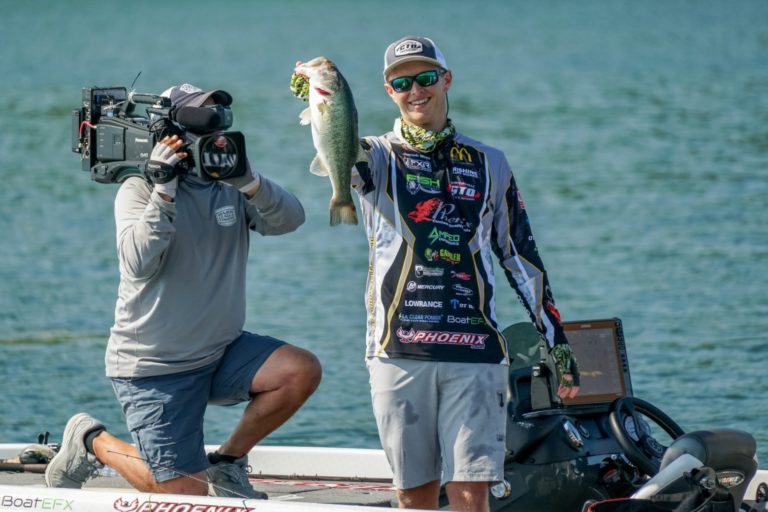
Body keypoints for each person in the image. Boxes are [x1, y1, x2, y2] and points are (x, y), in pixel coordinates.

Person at [44, 83, 322, 498]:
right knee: (183, 496)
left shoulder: (228, 185)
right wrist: (164, 191)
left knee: (300, 371)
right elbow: (139, 263)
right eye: (201, 118)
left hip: (219, 351)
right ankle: (91, 440)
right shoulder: (137, 191)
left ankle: (227, 463)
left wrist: (250, 181)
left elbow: (290, 220)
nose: (212, 132)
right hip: (155, 368)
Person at [351, 36, 580, 510]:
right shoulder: (374, 156)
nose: (416, 90)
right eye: (402, 82)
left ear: (446, 80)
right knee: (414, 496)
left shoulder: (489, 162)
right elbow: (336, 141)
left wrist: (557, 342)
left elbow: (521, 257)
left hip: (475, 351)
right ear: (389, 91)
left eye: (427, 78)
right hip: (399, 350)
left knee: (472, 495)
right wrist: (319, 93)